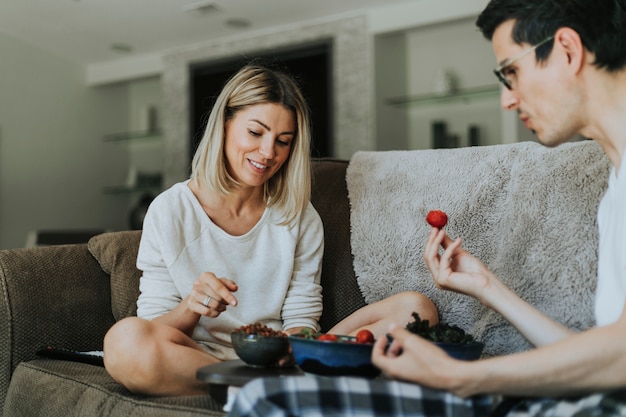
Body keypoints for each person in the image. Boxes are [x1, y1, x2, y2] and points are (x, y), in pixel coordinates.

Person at [227, 1, 626, 415]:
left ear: (566, 49)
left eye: (512, 72)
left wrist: (466, 378)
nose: (507, 99)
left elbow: (618, 357)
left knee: (266, 399)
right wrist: (486, 286)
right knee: (267, 398)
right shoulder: (617, 187)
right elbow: (599, 357)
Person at [103, 63, 438, 397]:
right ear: (225, 124)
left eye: (283, 141)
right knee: (123, 342)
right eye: (255, 132)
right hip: (198, 357)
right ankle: (261, 389)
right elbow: (154, 328)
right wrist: (193, 305)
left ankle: (273, 387)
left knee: (417, 309)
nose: (268, 153)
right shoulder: (170, 210)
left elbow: (302, 316)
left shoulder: (298, 216)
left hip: (284, 359)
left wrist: (293, 346)